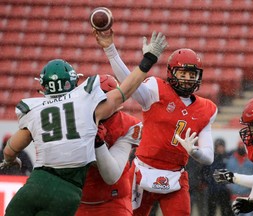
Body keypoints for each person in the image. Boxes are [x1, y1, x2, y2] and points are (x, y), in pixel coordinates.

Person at [0, 29, 167, 216]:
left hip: (96, 196)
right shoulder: (86, 106)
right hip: (71, 193)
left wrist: (97, 143)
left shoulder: (37, 109)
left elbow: (112, 176)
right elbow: (126, 91)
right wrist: (148, 60)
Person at [96, 31, 217, 216]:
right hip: (142, 171)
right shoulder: (156, 89)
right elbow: (128, 83)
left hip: (175, 176)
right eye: (182, 73)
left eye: (192, 74)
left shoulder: (206, 108)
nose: (187, 78)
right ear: (171, 73)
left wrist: (194, 152)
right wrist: (111, 50)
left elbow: (209, 157)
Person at [75, 74, 143, 216]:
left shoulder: (129, 125)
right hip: (77, 199)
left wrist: (98, 143)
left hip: (113, 200)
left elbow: (111, 175)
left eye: (103, 100)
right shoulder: (74, 119)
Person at [203, 138, 234, 216]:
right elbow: (204, 172)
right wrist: (209, 181)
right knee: (211, 211)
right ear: (215, 147)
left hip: (225, 191)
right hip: (212, 190)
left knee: (225, 211)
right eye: (219, 147)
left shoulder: (228, 158)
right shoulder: (211, 158)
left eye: (222, 146)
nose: (221, 148)